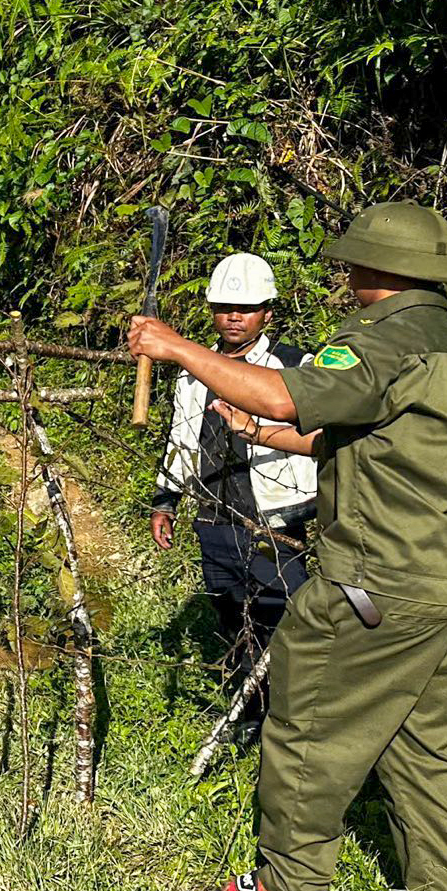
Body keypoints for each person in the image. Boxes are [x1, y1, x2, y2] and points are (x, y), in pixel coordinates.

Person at [128, 202, 447, 891]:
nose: (347, 273)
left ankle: (290, 886)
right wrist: (259, 431)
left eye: (354, 261)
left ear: (378, 270)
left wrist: (175, 348)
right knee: (426, 747)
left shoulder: (380, 338)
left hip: (378, 581)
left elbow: (284, 390)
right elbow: (361, 441)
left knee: (304, 720)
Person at [151, 252, 318, 745]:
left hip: (274, 521)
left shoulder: (294, 367)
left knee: (283, 618)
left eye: (245, 308)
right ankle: (250, 713)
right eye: (224, 307)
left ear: (267, 310)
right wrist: (166, 499)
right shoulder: (191, 369)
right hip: (215, 518)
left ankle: (294, 721)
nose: (233, 317)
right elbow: (181, 439)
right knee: (231, 617)